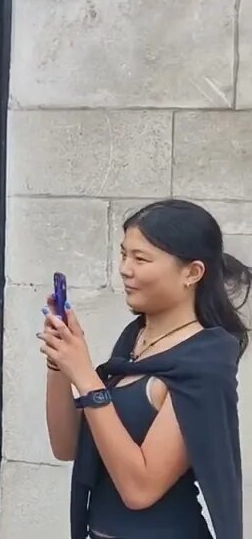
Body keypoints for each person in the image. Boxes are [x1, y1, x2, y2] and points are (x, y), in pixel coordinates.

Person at [39, 199, 247, 539]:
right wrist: (60, 362)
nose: (124, 269)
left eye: (141, 258)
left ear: (192, 273)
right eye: (124, 254)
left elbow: (140, 489)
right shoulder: (134, 340)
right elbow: (67, 446)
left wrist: (87, 377)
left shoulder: (206, 360)